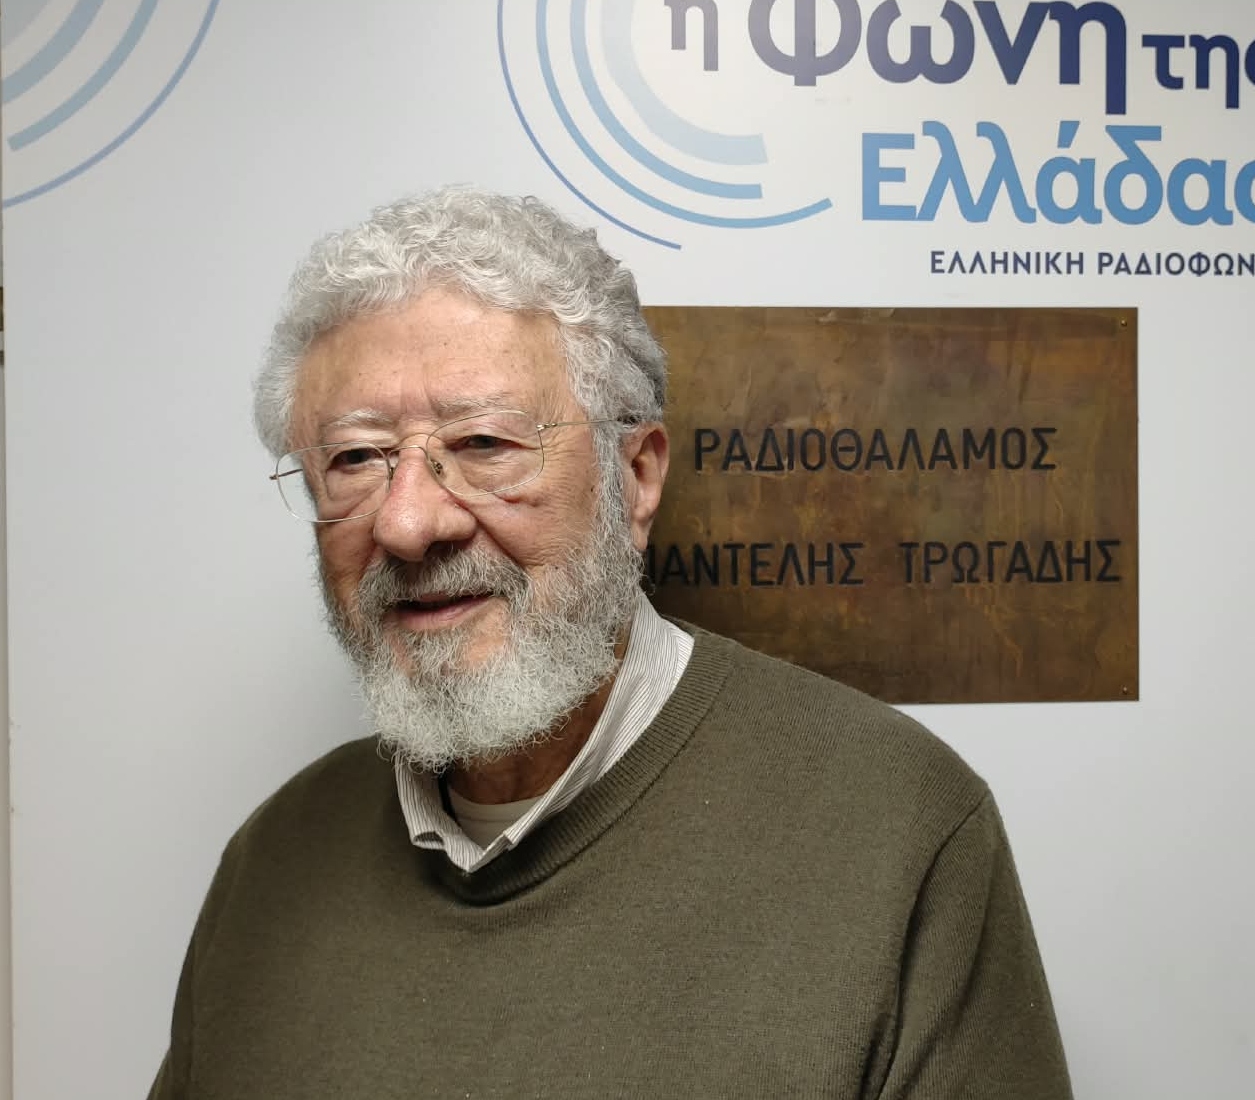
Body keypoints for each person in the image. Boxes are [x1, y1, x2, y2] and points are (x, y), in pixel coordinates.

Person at [148, 186, 1074, 1099]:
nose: (408, 523)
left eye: (483, 444)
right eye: (354, 458)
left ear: (634, 478)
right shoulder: (270, 862)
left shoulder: (897, 829)